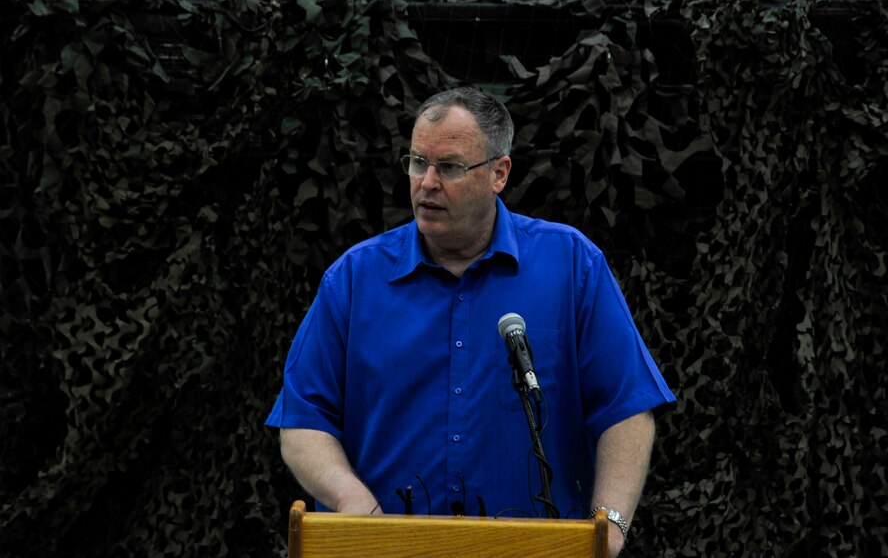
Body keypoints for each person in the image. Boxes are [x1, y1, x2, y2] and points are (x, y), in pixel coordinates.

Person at [266, 87, 676, 556]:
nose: (427, 183)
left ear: (499, 173)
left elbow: (627, 409)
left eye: (451, 167)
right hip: (384, 548)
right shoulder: (354, 279)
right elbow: (303, 421)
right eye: (418, 163)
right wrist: (351, 498)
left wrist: (612, 526)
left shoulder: (571, 265)